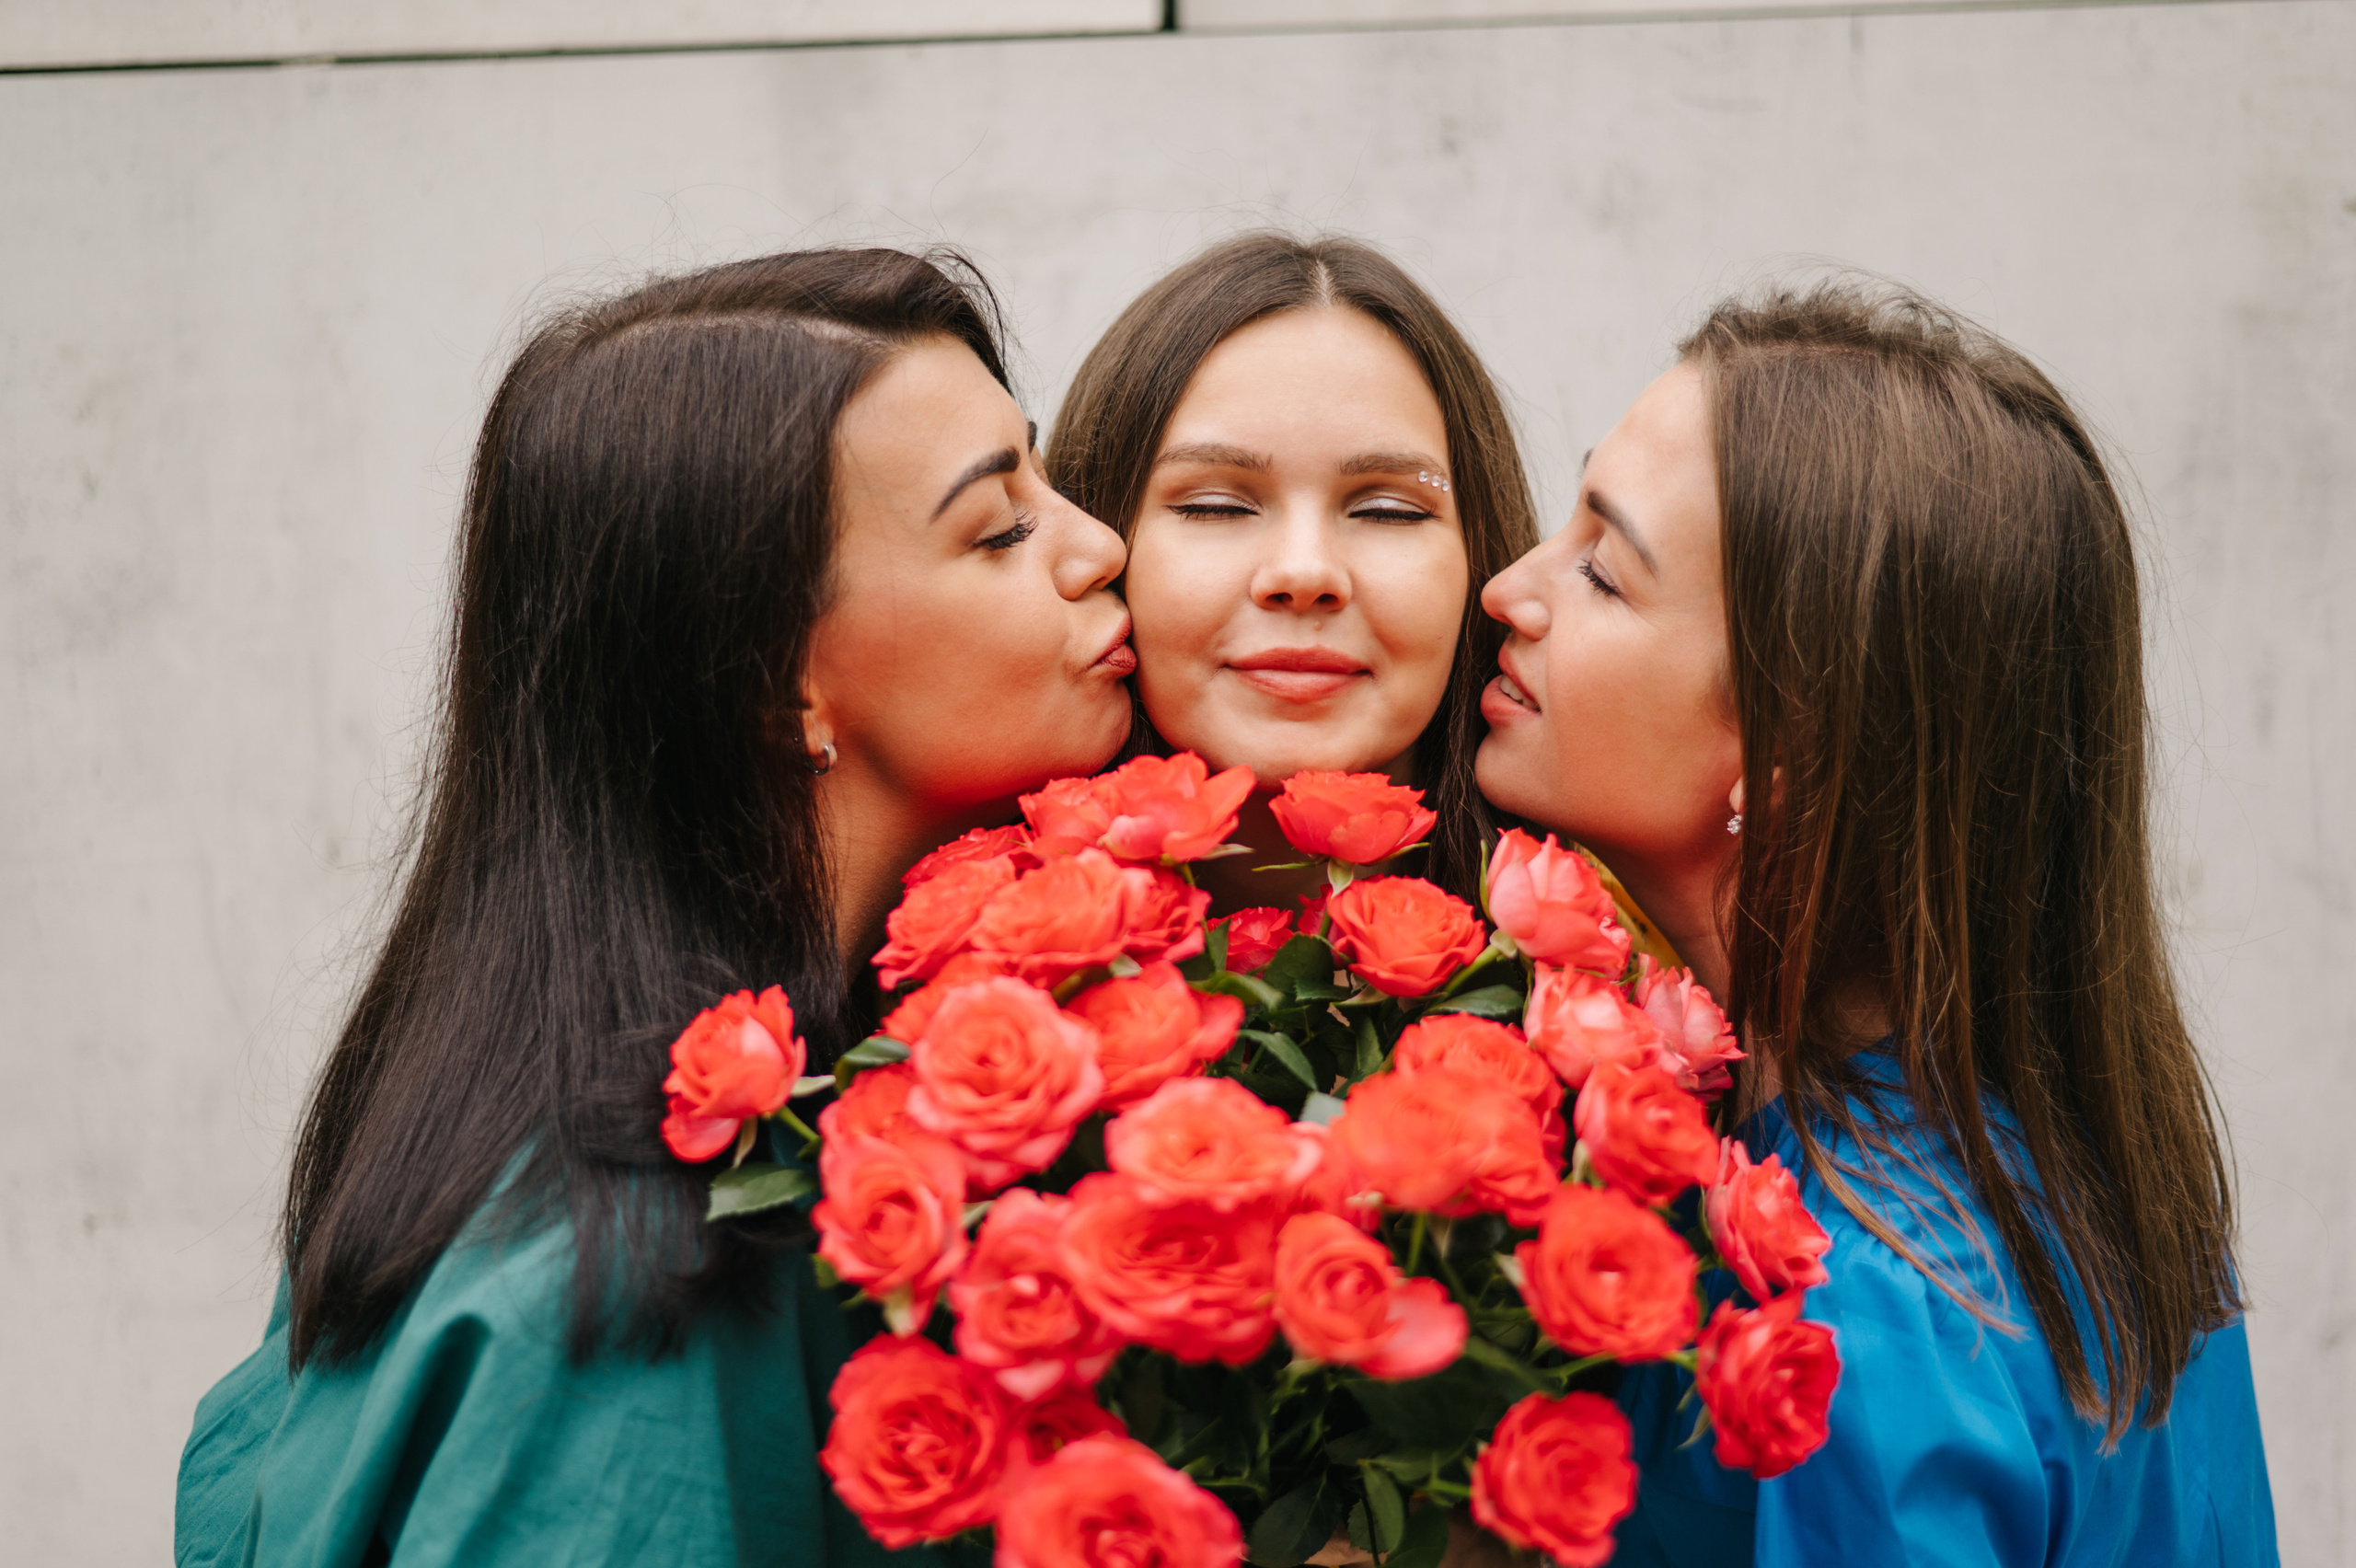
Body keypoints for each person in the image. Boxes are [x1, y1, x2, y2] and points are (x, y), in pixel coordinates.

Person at [175, 248, 1135, 1567]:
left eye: (1046, 480)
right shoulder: (630, 1280)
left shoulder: (703, 1119)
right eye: (1000, 529)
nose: (1101, 547)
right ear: (776, 681)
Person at [1475, 279, 2277, 1564]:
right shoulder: (2070, 1187)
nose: (1510, 589)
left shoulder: (1865, 1301)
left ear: (1795, 756)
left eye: (1602, 574)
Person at [1046, 232, 1540, 918]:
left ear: (1481, 557)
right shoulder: (918, 973)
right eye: (1213, 506)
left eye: (1389, 511)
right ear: (1096, 539)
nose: (1304, 572)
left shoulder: (1634, 968)